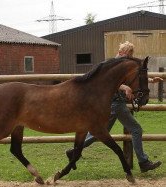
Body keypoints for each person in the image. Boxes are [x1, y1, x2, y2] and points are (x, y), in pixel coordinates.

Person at [66, 41, 163, 173]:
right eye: (128, 55)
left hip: (115, 104)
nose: (129, 58)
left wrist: (151, 80)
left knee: (99, 133)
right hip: (116, 104)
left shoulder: (120, 65)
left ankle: (73, 152)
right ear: (122, 52)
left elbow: (131, 78)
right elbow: (108, 82)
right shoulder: (112, 64)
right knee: (136, 130)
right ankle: (143, 162)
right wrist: (124, 87)